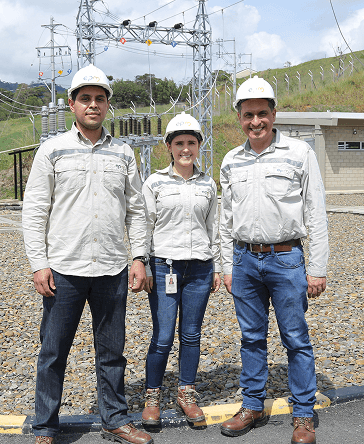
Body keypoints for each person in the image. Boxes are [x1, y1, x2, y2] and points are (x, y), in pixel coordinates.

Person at [22, 64, 153, 444]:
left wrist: (139, 257)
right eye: (85, 98)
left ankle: (115, 419)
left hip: (112, 268)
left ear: (108, 105)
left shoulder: (123, 153)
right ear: (72, 104)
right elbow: (35, 210)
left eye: (99, 98)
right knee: (53, 352)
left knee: (112, 352)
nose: (93, 104)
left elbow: (136, 210)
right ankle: (46, 427)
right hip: (64, 268)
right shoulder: (53, 150)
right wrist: (39, 264)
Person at [218, 76, 329, 444]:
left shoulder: (299, 153)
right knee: (251, 337)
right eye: (248, 114)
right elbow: (225, 219)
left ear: (274, 113)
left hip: (286, 260)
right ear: (239, 117)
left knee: (295, 338)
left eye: (262, 113)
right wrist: (227, 267)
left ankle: (302, 415)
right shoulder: (231, 160)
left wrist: (317, 269)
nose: (255, 122)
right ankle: (252, 405)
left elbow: (316, 213)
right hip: (244, 260)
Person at [138, 113, 221, 428]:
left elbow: (214, 228)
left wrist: (217, 266)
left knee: (191, 333)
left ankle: (186, 392)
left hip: (199, 269)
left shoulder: (208, 184)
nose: (185, 149)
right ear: (169, 148)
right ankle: (153, 396)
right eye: (179, 144)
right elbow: (144, 226)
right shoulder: (155, 182)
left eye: (191, 143)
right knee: (162, 336)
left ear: (199, 146)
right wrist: (143, 264)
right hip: (164, 268)